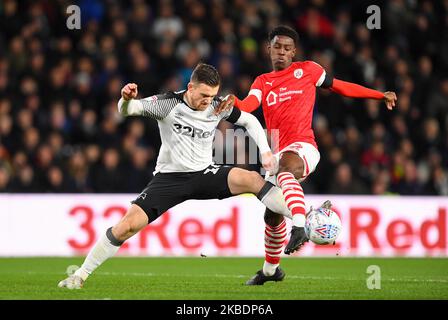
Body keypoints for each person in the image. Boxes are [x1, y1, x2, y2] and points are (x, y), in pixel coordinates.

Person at [58, 63, 295, 289]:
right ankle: (80, 275)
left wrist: (265, 152)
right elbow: (129, 110)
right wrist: (126, 99)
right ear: (190, 87)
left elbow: (250, 120)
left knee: (253, 180)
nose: (208, 101)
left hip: (204, 173)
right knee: (125, 227)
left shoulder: (217, 106)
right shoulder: (167, 104)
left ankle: (303, 217)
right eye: (204, 95)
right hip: (170, 179)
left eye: (212, 95)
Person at [216, 25, 397, 285]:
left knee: (286, 168)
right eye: (277, 47)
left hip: (303, 148)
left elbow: (340, 86)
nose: (281, 52)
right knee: (271, 216)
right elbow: (248, 106)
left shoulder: (309, 70)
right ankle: (270, 271)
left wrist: (378, 95)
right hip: (276, 152)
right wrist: (233, 100)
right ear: (269, 49)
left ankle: (301, 225)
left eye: (287, 48)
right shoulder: (262, 82)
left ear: (294, 52)